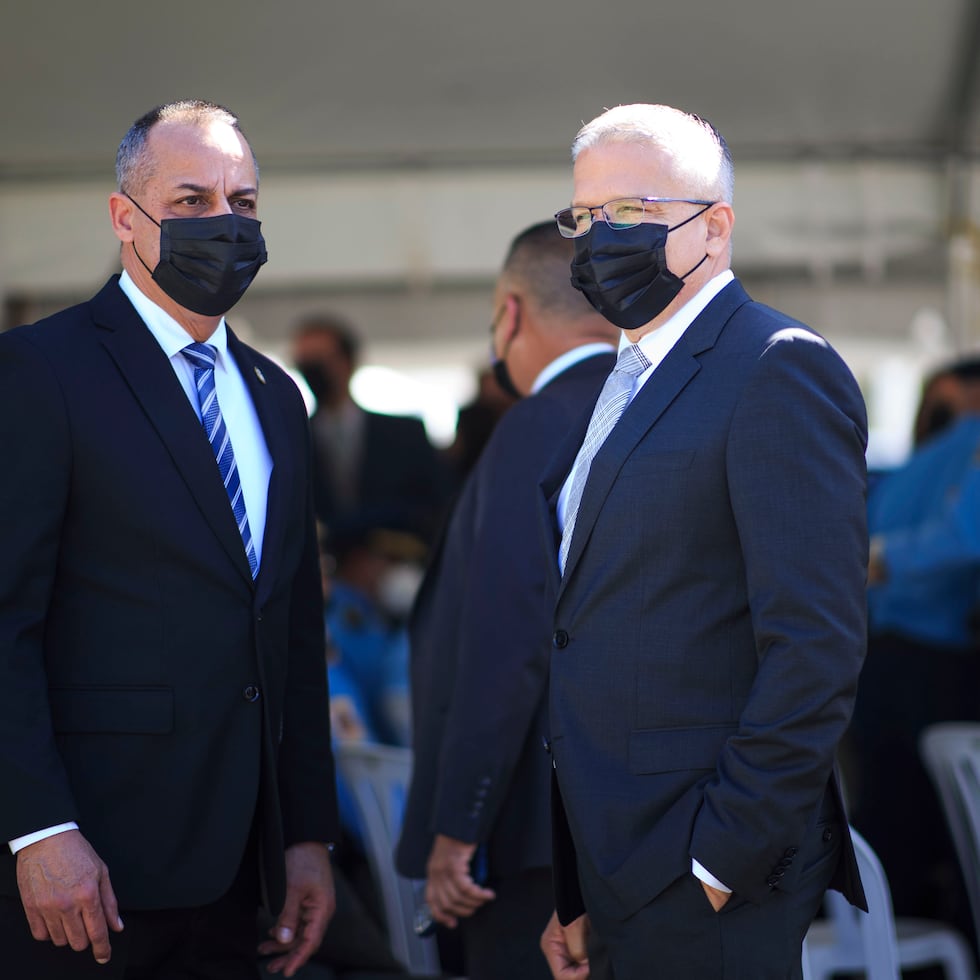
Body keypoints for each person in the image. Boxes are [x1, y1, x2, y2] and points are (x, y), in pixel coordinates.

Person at [0, 100, 338, 979]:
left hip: (242, 880)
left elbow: (294, 630)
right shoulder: (41, 372)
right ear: (125, 216)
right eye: (191, 200)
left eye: (244, 201)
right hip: (88, 874)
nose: (224, 223)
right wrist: (38, 828)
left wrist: (306, 835)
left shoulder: (275, 395)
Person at [536, 104, 869, 980]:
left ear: (714, 228)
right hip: (615, 869)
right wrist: (581, 886)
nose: (598, 239)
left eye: (631, 213)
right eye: (584, 216)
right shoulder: (627, 376)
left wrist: (719, 863)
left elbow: (816, 645)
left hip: (705, 875)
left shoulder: (774, 366)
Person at [395, 221, 618, 980]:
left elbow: (503, 646)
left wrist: (457, 827)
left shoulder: (534, 427)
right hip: (637, 823)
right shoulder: (657, 413)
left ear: (511, 312)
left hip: (527, 837)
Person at [849, 359, 980, 938]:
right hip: (931, 663)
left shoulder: (921, 462)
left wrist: (879, 559)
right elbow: (966, 537)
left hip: (890, 659)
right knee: (942, 838)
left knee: (893, 829)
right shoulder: (940, 457)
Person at [292, 315, 452, 546]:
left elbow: (437, 506)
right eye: (305, 363)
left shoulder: (405, 434)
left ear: (348, 362)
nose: (312, 372)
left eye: (320, 361)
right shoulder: (290, 439)